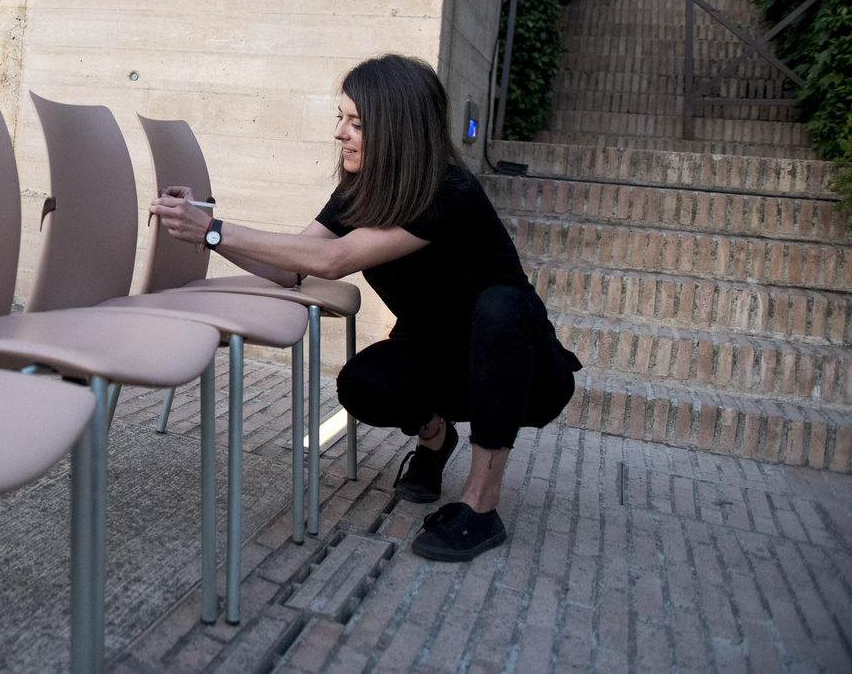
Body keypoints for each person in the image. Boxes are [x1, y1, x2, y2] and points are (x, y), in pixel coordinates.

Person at [148, 54, 580, 561]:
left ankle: (481, 506)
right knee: (363, 385)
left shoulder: (451, 192)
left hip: (520, 369)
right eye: (341, 118)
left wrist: (214, 230)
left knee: (500, 306)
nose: (340, 133)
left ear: (397, 128)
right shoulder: (360, 190)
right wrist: (205, 225)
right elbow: (291, 267)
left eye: (356, 123)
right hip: (438, 361)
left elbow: (334, 260)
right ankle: (435, 439)